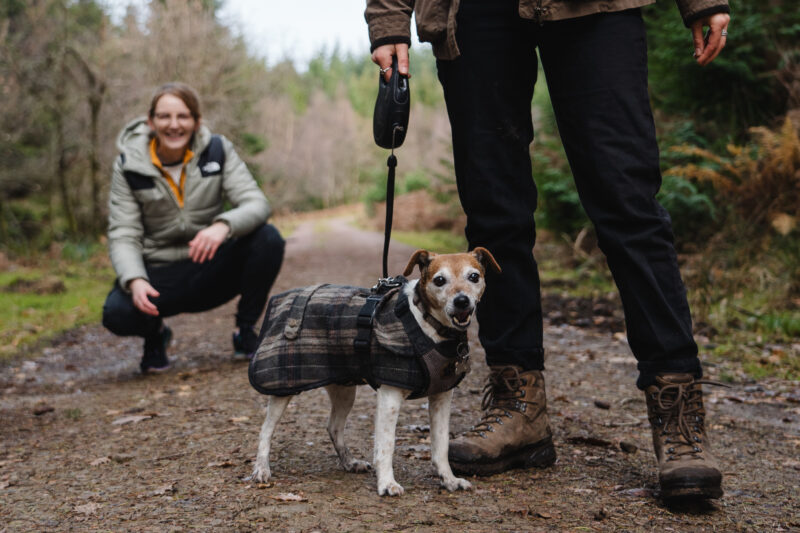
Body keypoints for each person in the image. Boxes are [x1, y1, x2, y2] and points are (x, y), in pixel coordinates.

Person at [365, 0, 730, 500]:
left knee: (629, 203)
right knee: (494, 216)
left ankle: (678, 410)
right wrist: (388, 18)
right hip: (475, 14)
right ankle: (520, 408)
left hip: (598, 8)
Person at [102, 82, 284, 374]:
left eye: (183, 116)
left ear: (197, 121)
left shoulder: (217, 149)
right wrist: (135, 279)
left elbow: (257, 204)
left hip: (210, 266)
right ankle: (155, 337)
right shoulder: (128, 165)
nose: (174, 125)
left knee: (268, 239)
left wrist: (223, 226)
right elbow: (124, 233)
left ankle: (245, 330)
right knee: (116, 312)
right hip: (161, 275)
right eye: (164, 117)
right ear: (151, 122)